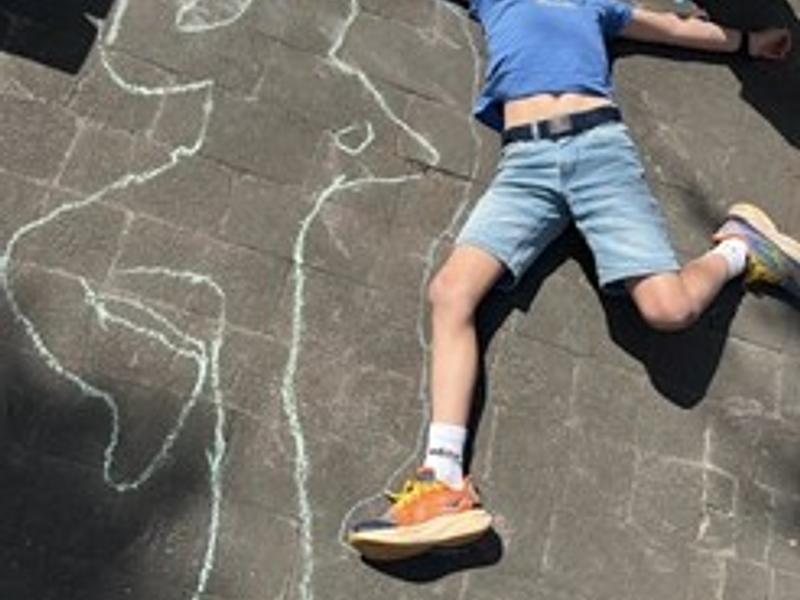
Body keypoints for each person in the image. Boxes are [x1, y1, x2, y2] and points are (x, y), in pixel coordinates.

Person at [347, 0, 797, 560]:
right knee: (450, 293)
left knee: (670, 311)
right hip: (526, 166)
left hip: (598, 151)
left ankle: (740, 249)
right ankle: (442, 480)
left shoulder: (595, 4)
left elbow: (671, 28)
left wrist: (748, 43)